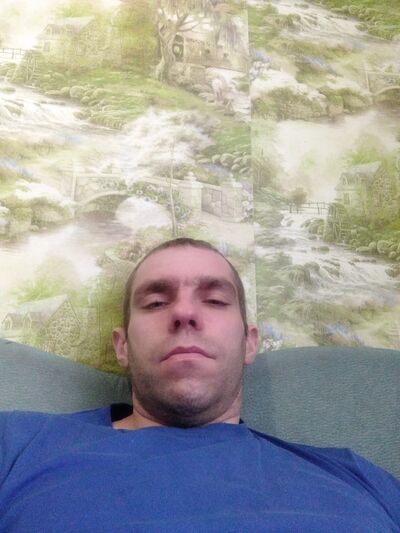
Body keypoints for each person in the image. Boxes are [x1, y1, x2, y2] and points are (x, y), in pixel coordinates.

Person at [0, 237, 399, 532]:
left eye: (215, 300)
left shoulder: (360, 478)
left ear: (250, 342)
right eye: (156, 302)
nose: (185, 312)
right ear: (122, 347)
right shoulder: (17, 446)